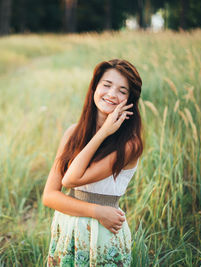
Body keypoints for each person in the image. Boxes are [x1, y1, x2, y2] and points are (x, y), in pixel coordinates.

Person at [42, 59, 143, 266]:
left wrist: (106, 131)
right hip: (68, 231)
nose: (112, 94)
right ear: (95, 87)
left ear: (130, 100)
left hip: (103, 235)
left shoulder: (129, 145)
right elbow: (50, 196)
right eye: (106, 85)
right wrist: (97, 212)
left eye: (122, 91)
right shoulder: (73, 132)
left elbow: (70, 179)